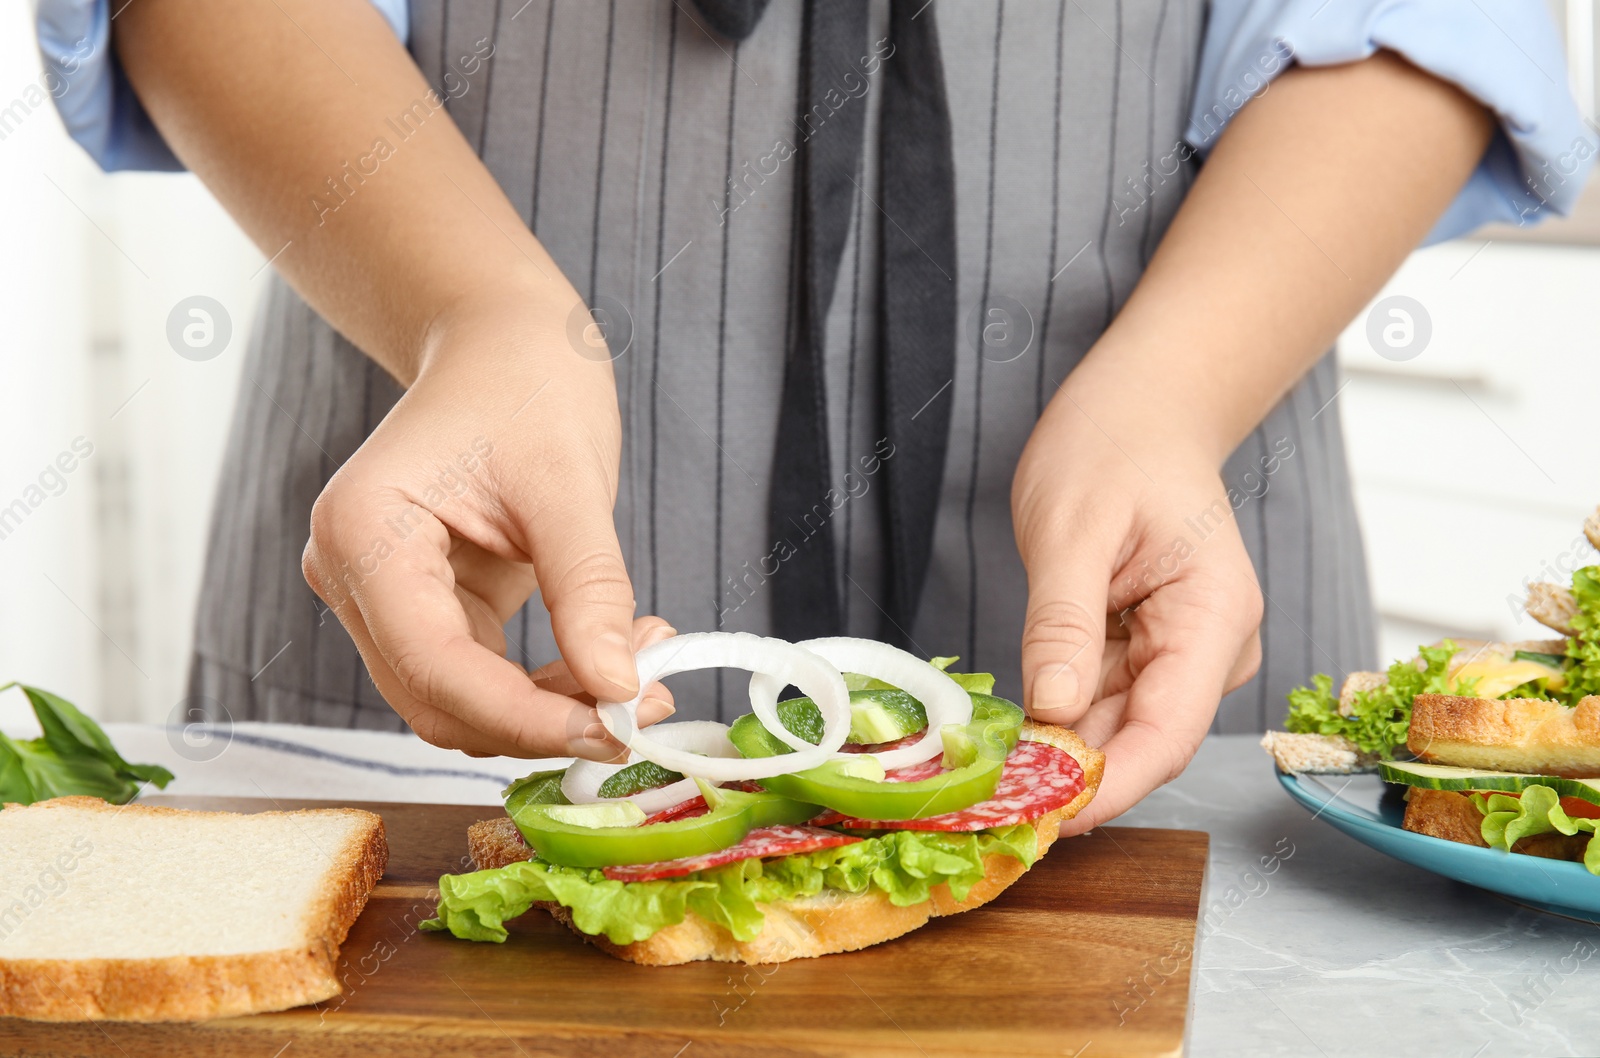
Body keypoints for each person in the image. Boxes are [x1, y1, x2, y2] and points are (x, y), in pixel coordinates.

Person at [36, 0, 1592, 832]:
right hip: (438, 482)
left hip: (1164, 521)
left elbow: (1438, 16)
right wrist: (472, 311)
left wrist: (1178, 388)